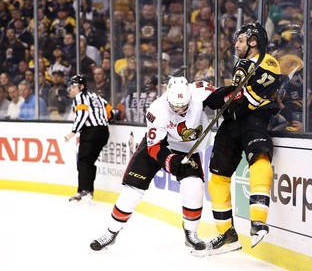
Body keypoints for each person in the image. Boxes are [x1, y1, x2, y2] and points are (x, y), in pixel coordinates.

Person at [89, 77, 215, 256]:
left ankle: (191, 233)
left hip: (186, 147)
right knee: (131, 191)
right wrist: (170, 161)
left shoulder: (199, 91)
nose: (179, 110)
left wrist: (230, 98)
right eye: (175, 106)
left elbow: (222, 95)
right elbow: (155, 146)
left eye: (184, 106)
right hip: (157, 146)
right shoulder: (157, 109)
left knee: (194, 187)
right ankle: (111, 232)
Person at [203, 22, 281, 254]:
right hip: (231, 124)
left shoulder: (268, 63)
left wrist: (222, 95)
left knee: (259, 158)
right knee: (217, 175)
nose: (235, 44)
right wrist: (224, 97)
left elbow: (248, 99)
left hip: (253, 120)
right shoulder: (242, 64)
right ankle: (227, 234)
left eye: (240, 40)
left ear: (253, 41)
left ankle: (258, 221)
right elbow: (233, 99)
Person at [64, 74, 119, 203]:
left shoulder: (80, 97)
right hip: (103, 132)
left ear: (81, 87)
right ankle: (89, 191)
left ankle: (83, 191)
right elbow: (110, 112)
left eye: (74, 86)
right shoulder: (96, 96)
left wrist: (73, 131)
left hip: (90, 132)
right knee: (89, 162)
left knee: (83, 161)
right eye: (70, 87)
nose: (71, 89)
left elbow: (83, 114)